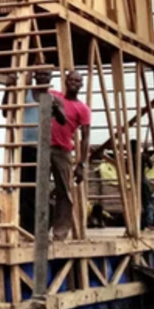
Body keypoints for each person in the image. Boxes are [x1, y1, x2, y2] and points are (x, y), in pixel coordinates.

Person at [5, 71, 52, 234]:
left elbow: (62, 120)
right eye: (40, 75)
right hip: (23, 146)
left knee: (42, 188)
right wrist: (9, 88)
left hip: (43, 148)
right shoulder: (25, 94)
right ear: (34, 77)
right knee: (25, 189)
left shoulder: (51, 97)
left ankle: (41, 227)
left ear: (50, 78)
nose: (43, 78)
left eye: (46, 75)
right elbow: (6, 110)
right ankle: (27, 228)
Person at [49, 70, 91, 241]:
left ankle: (60, 233)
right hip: (43, 147)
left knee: (64, 192)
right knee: (37, 190)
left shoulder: (82, 108)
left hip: (63, 151)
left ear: (81, 84)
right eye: (71, 79)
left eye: (77, 81)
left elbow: (86, 137)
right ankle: (37, 230)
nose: (74, 83)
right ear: (65, 81)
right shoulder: (53, 95)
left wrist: (82, 164)